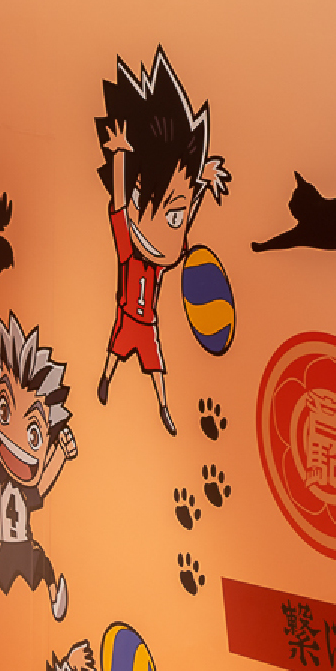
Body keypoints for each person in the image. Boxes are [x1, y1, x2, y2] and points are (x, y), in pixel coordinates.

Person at [93, 51, 229, 436]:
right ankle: (105, 380)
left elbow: (181, 224)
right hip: (127, 318)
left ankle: (164, 409)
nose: (165, 231)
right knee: (113, 354)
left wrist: (200, 182)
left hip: (148, 323)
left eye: (171, 219)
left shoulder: (159, 264)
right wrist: (120, 155)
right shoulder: (128, 253)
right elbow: (120, 203)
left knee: (157, 370)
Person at [0, 311, 77, 624]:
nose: (15, 438)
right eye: (4, 409)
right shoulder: (3, 475)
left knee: (41, 567)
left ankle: (54, 597)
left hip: (21, 545)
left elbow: (44, 477)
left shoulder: (22, 487)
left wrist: (62, 453)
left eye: (33, 433)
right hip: (8, 546)